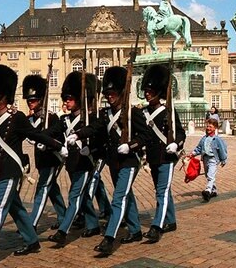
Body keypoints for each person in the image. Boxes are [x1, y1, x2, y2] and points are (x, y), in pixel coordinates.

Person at [0, 65, 67, 266]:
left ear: (5, 97)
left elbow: (35, 135)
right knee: (16, 209)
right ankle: (32, 241)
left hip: (11, 172)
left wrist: (57, 145)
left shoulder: (16, 117)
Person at [65, 67, 150, 255]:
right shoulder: (105, 114)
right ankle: (135, 230)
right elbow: (95, 128)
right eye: (107, 93)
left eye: (112, 93)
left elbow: (145, 135)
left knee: (118, 198)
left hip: (129, 161)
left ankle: (109, 238)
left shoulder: (132, 113)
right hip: (114, 162)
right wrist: (78, 134)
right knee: (126, 195)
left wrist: (132, 145)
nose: (109, 96)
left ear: (120, 92)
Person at [47, 71, 101, 247]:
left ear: (78, 99)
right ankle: (93, 224)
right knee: (84, 196)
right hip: (72, 163)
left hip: (85, 162)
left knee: (74, 195)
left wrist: (79, 135)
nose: (66, 102)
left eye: (69, 98)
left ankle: (63, 231)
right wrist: (40, 138)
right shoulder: (64, 120)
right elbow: (52, 131)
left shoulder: (89, 118)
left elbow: (93, 129)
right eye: (66, 98)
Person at [140, 64, 185, 243]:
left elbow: (181, 132)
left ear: (158, 92)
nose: (147, 93)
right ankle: (171, 220)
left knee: (161, 191)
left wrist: (175, 143)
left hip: (166, 157)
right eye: (146, 90)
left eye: (151, 91)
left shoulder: (168, 110)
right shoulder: (142, 112)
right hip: (152, 157)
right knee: (163, 190)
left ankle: (157, 225)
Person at [21, 74, 66, 231]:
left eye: (33, 100)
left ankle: (31, 224)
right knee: (53, 190)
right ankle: (64, 216)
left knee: (42, 190)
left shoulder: (52, 118)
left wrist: (46, 141)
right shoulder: (30, 120)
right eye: (29, 100)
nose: (30, 103)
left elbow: (59, 135)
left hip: (51, 159)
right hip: (41, 161)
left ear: (41, 100)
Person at [188, 118, 228, 202]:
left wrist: (223, 159)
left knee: (210, 175)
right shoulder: (204, 138)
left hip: (213, 159)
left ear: (215, 128)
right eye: (207, 126)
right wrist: (193, 153)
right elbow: (199, 148)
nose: (208, 128)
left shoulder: (217, 139)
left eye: (210, 127)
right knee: (208, 175)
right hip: (205, 158)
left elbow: (222, 149)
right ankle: (214, 191)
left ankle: (208, 191)